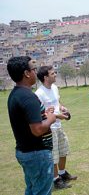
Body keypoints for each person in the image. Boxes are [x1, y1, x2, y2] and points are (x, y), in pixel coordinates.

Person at [7, 56, 56, 195]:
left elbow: (27, 121)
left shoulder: (16, 94)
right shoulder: (28, 97)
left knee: (31, 190)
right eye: (34, 69)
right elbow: (37, 129)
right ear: (27, 73)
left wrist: (43, 115)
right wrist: (51, 119)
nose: (36, 73)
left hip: (26, 152)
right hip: (37, 154)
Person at [35, 65, 77, 189]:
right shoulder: (39, 93)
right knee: (54, 156)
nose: (55, 75)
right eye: (52, 73)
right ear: (45, 77)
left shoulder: (54, 87)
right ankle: (55, 180)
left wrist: (62, 108)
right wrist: (58, 116)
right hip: (49, 129)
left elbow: (57, 102)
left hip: (59, 126)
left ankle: (62, 173)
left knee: (63, 151)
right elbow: (42, 114)